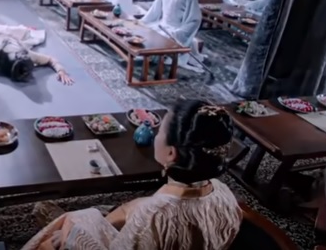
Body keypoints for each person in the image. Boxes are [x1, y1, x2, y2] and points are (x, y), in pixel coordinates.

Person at [25, 101, 241, 250]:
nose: (156, 135)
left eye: (160, 131)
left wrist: (72, 235)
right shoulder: (225, 194)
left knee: (75, 220)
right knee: (125, 208)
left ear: (171, 153)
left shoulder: (154, 216)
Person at [140, 0, 204, 72]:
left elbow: (194, 19)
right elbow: (154, 10)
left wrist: (179, 33)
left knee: (154, 45)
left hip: (175, 30)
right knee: (141, 33)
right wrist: (142, 22)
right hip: (161, 26)